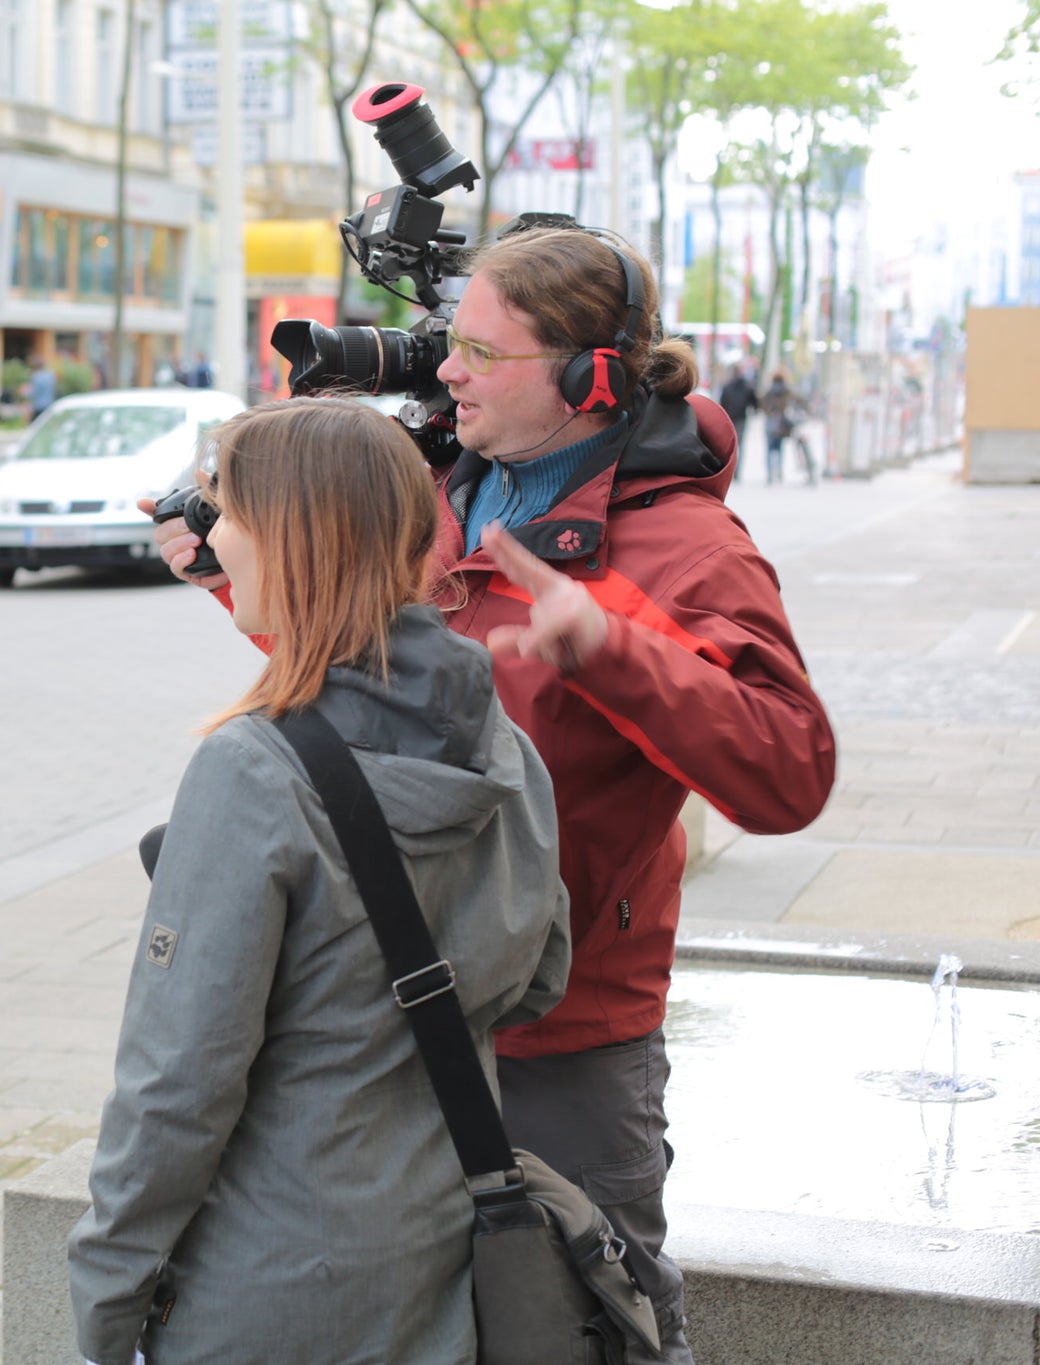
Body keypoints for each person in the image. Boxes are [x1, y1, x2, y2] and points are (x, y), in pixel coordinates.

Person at [149, 227, 837, 1363]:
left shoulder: (683, 551)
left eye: (477, 349)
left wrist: (611, 646)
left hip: (561, 1040)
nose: (442, 367)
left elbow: (786, 770)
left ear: (586, 377)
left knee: (580, 1327)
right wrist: (233, 570)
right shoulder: (434, 499)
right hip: (388, 1018)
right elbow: (360, 675)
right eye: (446, 341)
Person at [71, 398, 570, 1365]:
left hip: (267, 1286)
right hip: (439, 1260)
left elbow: (175, 1089)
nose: (212, 534)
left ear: (292, 539)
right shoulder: (497, 739)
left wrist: (102, 1301)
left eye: (227, 510)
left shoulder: (251, 772)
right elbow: (541, 974)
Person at [716, 361, 756, 479]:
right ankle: (737, 471)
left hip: (729, 418)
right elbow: (753, 402)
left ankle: (730, 470)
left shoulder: (727, 386)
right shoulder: (748, 386)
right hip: (741, 418)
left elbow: (722, 403)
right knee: (740, 445)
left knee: (729, 446)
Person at [761, 370, 795, 486]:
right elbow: (795, 401)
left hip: (770, 421)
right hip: (781, 422)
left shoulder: (769, 392)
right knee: (780, 448)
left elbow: (762, 404)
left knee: (769, 448)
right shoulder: (786, 391)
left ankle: (770, 474)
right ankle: (779, 472)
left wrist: (768, 412)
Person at [28, 354, 57, 419]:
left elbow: (34, 392)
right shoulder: (50, 375)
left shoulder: (36, 376)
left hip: (38, 406)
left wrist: (24, 392)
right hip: (49, 405)